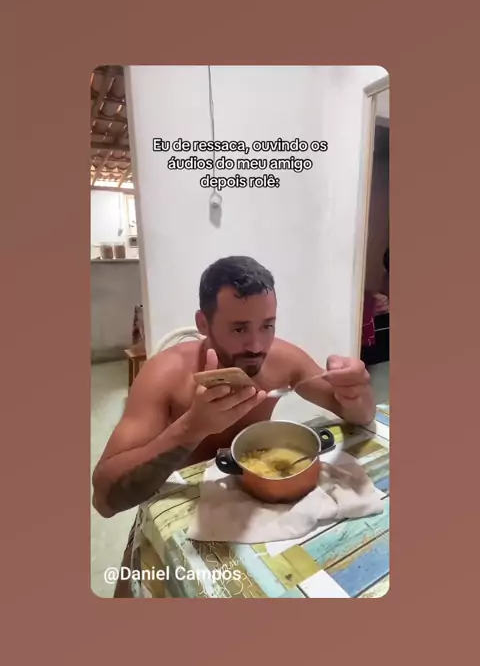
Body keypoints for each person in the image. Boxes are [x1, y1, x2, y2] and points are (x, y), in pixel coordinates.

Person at [92, 255, 375, 596]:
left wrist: (357, 391)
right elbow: (105, 500)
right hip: (181, 522)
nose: (257, 346)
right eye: (239, 329)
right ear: (204, 323)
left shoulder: (283, 361)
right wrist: (190, 428)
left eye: (267, 326)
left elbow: (360, 416)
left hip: (261, 515)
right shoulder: (165, 375)